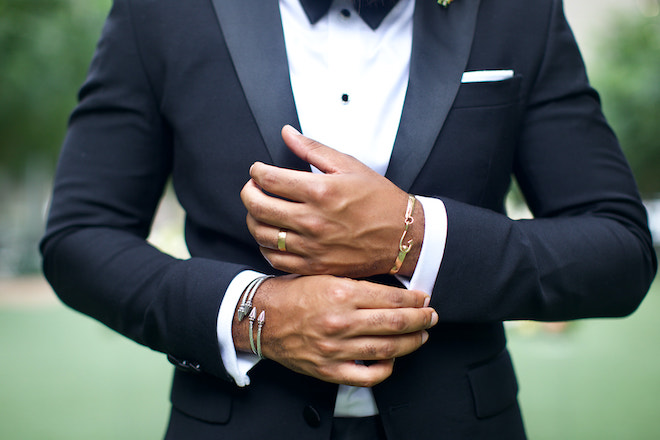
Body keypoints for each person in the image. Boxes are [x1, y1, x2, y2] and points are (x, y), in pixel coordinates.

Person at [41, 0, 657, 438]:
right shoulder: (162, 11)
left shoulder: (520, 11)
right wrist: (256, 315)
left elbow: (619, 250)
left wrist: (413, 236)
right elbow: (79, 237)